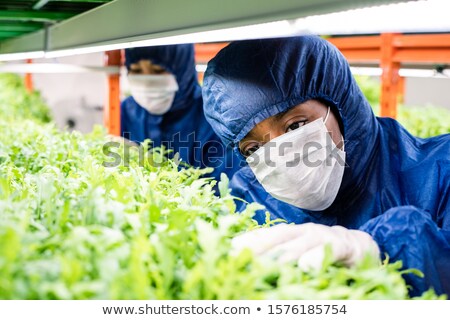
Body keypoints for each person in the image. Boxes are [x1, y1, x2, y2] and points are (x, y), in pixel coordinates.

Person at [202, 36, 450, 296]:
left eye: (295, 125)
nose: (281, 155)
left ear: (341, 104)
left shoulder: (440, 171)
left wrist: (386, 246)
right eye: (254, 148)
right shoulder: (249, 199)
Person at [121, 44, 240, 183]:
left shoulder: (216, 114)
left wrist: (147, 163)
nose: (147, 83)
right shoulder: (127, 110)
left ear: (182, 69)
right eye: (136, 70)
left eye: (158, 70)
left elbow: (226, 189)